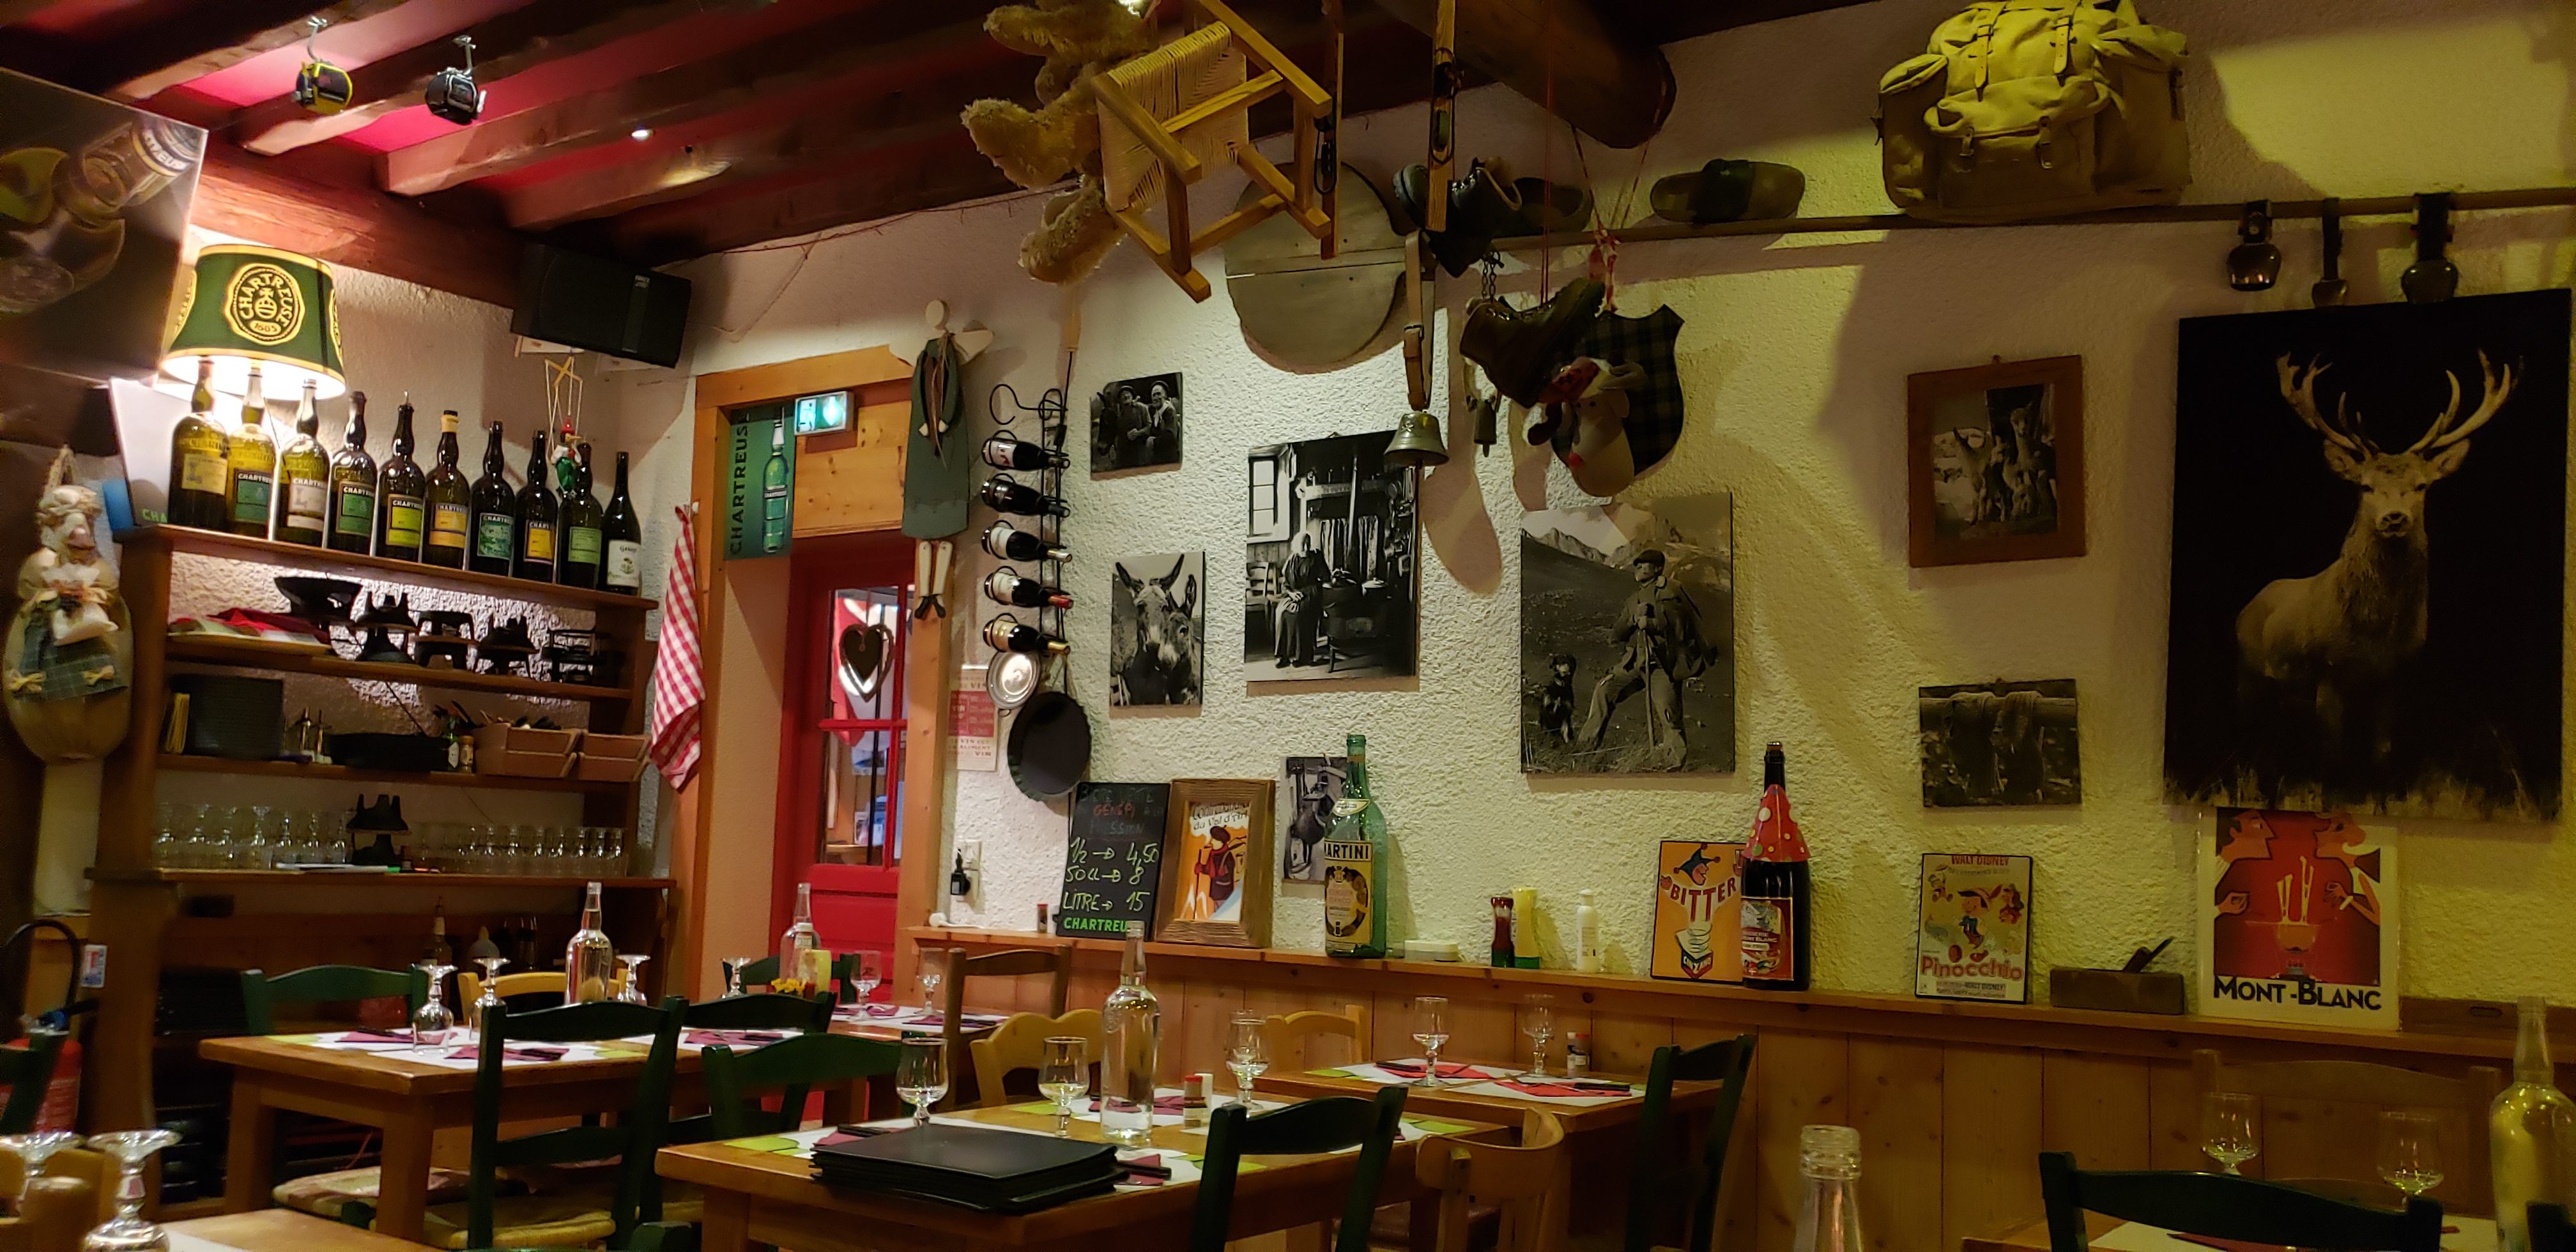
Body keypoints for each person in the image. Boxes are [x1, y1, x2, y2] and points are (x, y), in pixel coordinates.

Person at [1578, 548, 1707, 765]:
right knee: (1605, 690)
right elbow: (1617, 634)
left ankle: (1673, 765)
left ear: (1657, 568)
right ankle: (1584, 750)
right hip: (1634, 663)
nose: (1638, 567)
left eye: (1644, 564)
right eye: (1637, 564)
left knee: (1669, 715)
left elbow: (1681, 628)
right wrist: (1633, 621)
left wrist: (1653, 624)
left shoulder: (1671, 591)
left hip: (1662, 666)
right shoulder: (1634, 600)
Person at [1276, 531, 1330, 667]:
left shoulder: (1316, 557)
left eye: (1308, 544)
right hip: (1294, 593)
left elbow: (1326, 577)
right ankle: (1284, 656)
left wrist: (1315, 584)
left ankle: (1303, 657)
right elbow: (1286, 583)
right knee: (1282, 613)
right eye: (1303, 544)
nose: (1306, 548)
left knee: (1301, 614)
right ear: (1296, 545)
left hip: (1311, 593)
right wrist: (1292, 593)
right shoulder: (1292, 560)